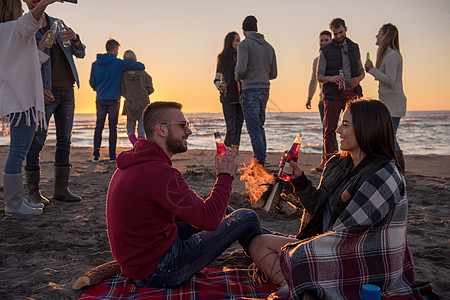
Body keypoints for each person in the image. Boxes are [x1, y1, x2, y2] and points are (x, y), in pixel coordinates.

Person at [248, 100, 415, 299]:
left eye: (345, 125)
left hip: (351, 254)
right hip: (323, 241)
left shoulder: (384, 175)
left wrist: (306, 249)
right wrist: (299, 179)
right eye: (340, 123)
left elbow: (349, 235)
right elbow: (317, 207)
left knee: (298, 257)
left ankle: (304, 285)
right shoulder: (337, 163)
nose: (337, 130)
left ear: (367, 127)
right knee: (257, 244)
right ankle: (300, 286)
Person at [106, 101, 263, 288]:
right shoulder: (159, 173)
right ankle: (272, 252)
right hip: (159, 270)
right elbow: (210, 221)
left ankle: (269, 245)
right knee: (247, 216)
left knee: (226, 211)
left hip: (141, 260)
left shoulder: (137, 163)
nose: (188, 131)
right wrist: (225, 176)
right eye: (182, 126)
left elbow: (196, 212)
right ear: (161, 130)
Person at [0, 0, 61, 216]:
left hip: (19, 99)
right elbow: (29, 21)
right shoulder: (10, 28)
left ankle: (16, 202)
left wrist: (42, 46)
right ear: (11, 8)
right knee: (18, 152)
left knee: (18, 150)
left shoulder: (9, 33)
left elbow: (31, 61)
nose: (22, 11)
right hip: (21, 100)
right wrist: (45, 2)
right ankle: (14, 204)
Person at [23, 0, 86, 204]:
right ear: (24, 1)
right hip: (44, 93)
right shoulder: (25, 26)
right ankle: (33, 192)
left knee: (64, 140)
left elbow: (81, 53)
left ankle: (61, 189)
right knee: (37, 140)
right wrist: (37, 88)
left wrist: (75, 39)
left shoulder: (57, 23)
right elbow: (24, 63)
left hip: (68, 91)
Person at [89, 39, 145, 162]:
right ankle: (112, 157)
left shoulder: (95, 64)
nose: (117, 52)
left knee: (99, 127)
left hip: (100, 98)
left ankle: (96, 155)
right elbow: (141, 66)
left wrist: (99, 89)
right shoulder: (118, 63)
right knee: (112, 128)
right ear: (114, 49)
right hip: (114, 99)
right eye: (117, 50)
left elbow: (91, 82)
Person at [317, 18, 364, 162]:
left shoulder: (354, 47)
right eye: (335, 34)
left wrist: (358, 79)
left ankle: (356, 161)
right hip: (332, 94)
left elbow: (361, 72)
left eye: (340, 32)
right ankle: (329, 164)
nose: (338, 36)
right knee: (329, 130)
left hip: (353, 92)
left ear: (346, 29)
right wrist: (332, 78)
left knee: (358, 129)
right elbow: (320, 76)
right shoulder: (325, 50)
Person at [235, 15, 277, 166]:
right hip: (265, 89)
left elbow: (240, 70)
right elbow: (274, 74)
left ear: (244, 29)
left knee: (253, 128)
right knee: (259, 126)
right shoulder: (269, 47)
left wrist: (236, 75)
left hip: (250, 89)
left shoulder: (244, 45)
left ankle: (259, 161)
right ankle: (261, 157)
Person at [365, 23, 406, 171]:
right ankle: (394, 167)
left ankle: (399, 168)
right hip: (389, 104)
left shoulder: (392, 55)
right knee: (388, 137)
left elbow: (390, 80)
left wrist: (371, 69)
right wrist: (373, 70)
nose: (376, 35)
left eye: (379, 33)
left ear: (386, 35)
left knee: (389, 138)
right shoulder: (389, 55)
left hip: (393, 105)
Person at [305, 30, 332, 173]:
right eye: (321, 40)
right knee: (326, 130)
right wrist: (309, 97)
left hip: (337, 98)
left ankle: (330, 160)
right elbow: (313, 80)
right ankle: (327, 160)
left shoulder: (336, 58)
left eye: (326, 40)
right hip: (323, 100)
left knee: (335, 130)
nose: (323, 43)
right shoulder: (317, 60)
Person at [214, 31, 243, 154]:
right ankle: (225, 152)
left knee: (238, 128)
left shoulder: (242, 55)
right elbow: (216, 77)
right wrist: (218, 85)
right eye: (236, 40)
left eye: (239, 40)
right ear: (230, 41)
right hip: (228, 98)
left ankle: (234, 153)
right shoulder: (222, 57)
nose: (239, 42)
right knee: (231, 128)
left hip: (242, 98)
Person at [120, 50, 154, 146]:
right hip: (143, 103)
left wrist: (128, 96)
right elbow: (151, 88)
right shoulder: (143, 73)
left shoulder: (123, 75)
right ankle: (140, 148)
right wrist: (144, 94)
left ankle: (136, 147)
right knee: (141, 131)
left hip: (130, 104)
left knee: (130, 131)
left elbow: (122, 91)